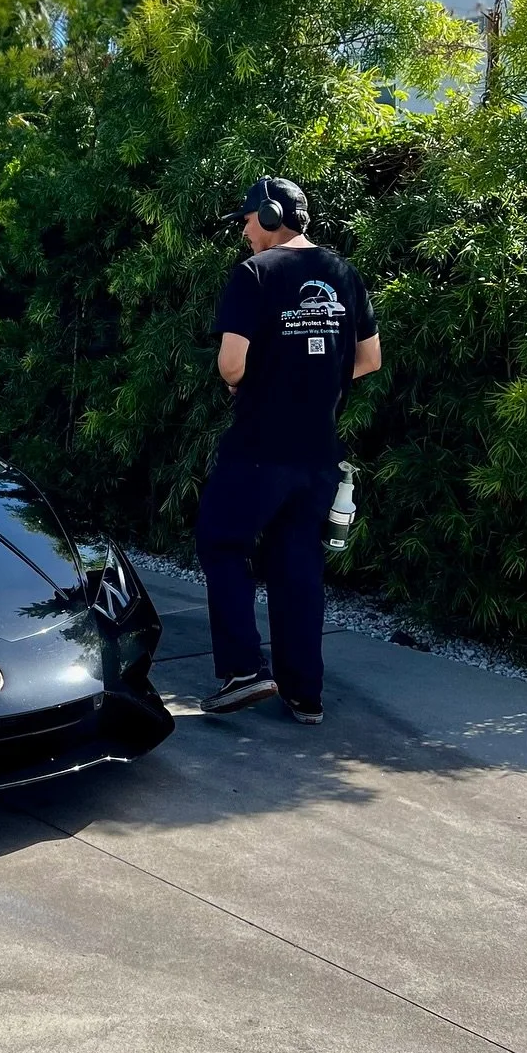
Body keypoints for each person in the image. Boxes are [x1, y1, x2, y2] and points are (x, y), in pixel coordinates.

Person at [195, 176, 381, 723]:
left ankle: (243, 671)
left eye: (248, 222)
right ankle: (305, 695)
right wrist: (311, 372)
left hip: (258, 446)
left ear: (271, 217)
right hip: (318, 452)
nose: (246, 233)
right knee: (297, 562)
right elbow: (369, 359)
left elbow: (232, 365)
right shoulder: (344, 274)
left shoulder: (254, 274)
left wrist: (267, 374)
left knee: (221, 541)